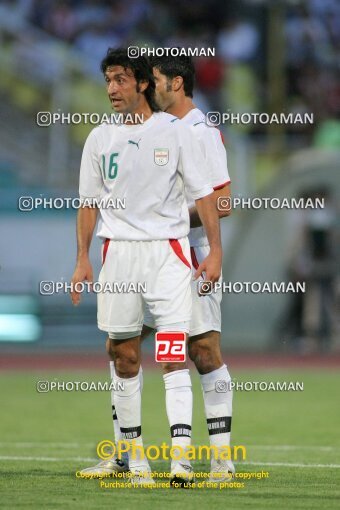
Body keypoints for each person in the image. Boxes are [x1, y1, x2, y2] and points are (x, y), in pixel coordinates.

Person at [71, 48, 222, 486]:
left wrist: (214, 250)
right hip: (117, 255)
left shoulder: (175, 133)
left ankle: (180, 462)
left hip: (168, 254)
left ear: (141, 83)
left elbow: (206, 195)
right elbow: (88, 204)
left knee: (173, 356)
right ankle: (134, 462)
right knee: (123, 354)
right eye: (108, 80)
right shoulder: (99, 138)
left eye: (120, 79)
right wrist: (82, 259)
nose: (112, 89)